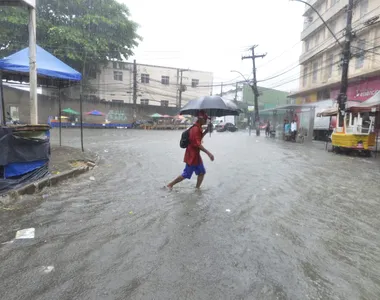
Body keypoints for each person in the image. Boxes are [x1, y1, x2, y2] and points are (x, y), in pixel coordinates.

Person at [167, 111, 215, 189]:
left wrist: (206, 131)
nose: (206, 121)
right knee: (186, 174)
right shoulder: (195, 129)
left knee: (202, 172)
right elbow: (198, 144)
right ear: (200, 119)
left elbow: (198, 139)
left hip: (196, 155)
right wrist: (209, 153)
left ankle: (197, 189)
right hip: (192, 156)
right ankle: (170, 185)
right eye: (205, 119)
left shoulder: (198, 128)